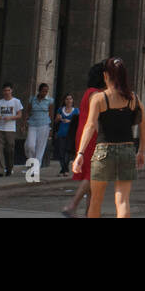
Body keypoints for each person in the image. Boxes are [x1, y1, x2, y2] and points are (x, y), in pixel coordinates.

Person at [71, 56, 145, 218]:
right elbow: (143, 126)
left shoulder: (99, 98)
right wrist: (141, 151)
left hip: (103, 151)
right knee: (123, 201)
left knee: (96, 200)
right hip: (127, 150)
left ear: (106, 75)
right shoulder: (134, 99)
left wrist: (80, 154)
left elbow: (90, 126)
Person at [63, 61, 106, 217]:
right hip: (93, 137)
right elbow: (99, 118)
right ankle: (72, 205)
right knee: (94, 174)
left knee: (94, 178)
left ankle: (90, 213)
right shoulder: (97, 94)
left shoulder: (89, 92)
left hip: (84, 135)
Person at [0, 83, 23, 177]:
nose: (7, 92)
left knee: (9, 149)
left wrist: (11, 118)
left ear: (11, 91)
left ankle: (9, 168)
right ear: (3, 91)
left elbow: (19, 114)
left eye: (8, 90)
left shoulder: (16, 101)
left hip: (10, 129)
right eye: (5, 90)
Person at [25, 82, 53, 174]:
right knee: (30, 146)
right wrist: (24, 123)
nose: (45, 93)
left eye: (46, 91)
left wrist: (50, 128)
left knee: (40, 147)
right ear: (39, 91)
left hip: (44, 125)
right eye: (43, 91)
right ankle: (31, 162)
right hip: (32, 124)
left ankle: (35, 168)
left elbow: (51, 113)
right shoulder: (32, 100)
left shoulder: (49, 100)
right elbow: (28, 111)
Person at [54, 94, 78, 176]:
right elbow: (56, 121)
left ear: (72, 100)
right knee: (61, 152)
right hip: (61, 132)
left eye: (70, 99)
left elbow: (78, 122)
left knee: (67, 152)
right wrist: (58, 118)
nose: (69, 101)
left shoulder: (76, 111)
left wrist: (70, 121)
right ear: (64, 101)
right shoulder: (60, 110)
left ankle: (64, 170)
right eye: (67, 99)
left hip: (70, 134)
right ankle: (64, 169)